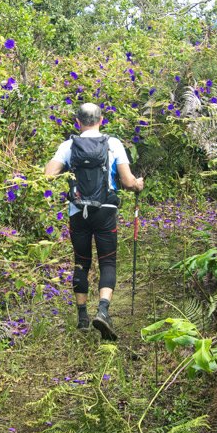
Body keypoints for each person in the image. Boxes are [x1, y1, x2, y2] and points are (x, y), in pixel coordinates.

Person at [44, 103, 144, 340]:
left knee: (81, 261)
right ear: (101, 120)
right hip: (105, 210)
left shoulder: (69, 146)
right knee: (107, 262)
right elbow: (128, 182)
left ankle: (82, 318)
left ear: (78, 122)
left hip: (78, 211)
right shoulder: (113, 144)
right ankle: (102, 310)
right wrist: (138, 184)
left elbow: (48, 175)